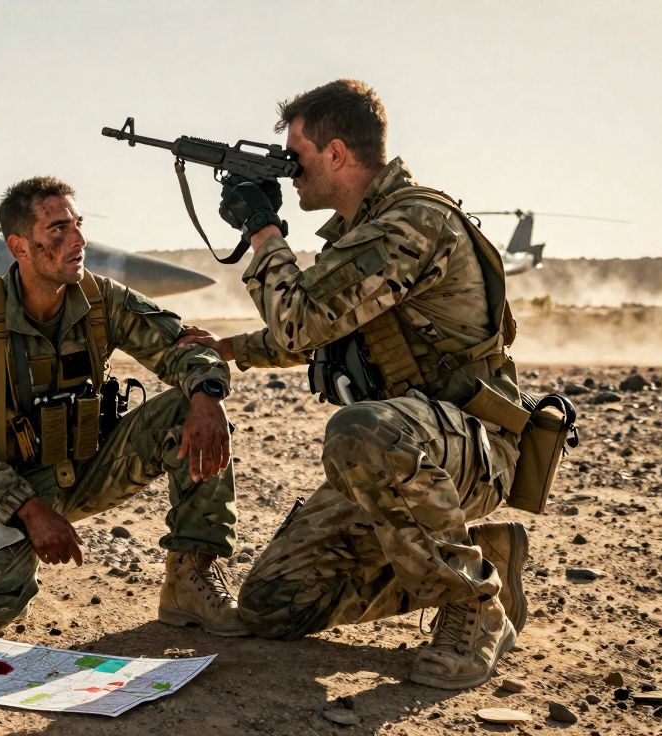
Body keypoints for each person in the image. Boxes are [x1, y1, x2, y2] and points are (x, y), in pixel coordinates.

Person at [178, 79, 530, 690]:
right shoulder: (362, 232)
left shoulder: (412, 223)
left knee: (360, 429)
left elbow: (302, 318)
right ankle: (480, 557)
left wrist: (264, 234)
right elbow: (324, 329)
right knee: (272, 605)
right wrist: (230, 349)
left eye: (299, 156)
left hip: (466, 448)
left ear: (337, 153)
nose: (291, 171)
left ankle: (474, 606)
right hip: (406, 453)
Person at [0, 176, 244, 637]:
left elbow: (184, 348)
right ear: (20, 247)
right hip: (12, 485)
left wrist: (207, 396)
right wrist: (29, 511)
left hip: (91, 465)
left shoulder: (101, 299)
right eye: (58, 229)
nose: (78, 240)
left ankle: (189, 583)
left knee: (188, 412)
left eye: (78, 225)